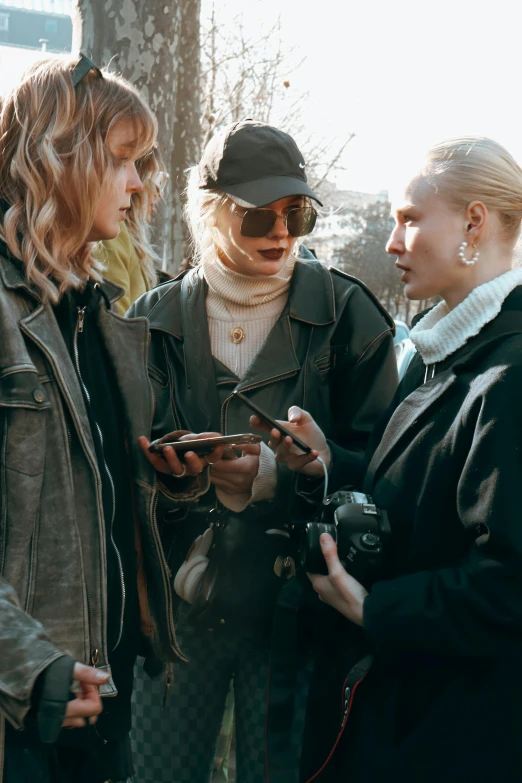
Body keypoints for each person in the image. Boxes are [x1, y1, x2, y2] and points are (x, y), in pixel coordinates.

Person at [128, 119, 398, 783]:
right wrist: (175, 477)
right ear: (213, 214)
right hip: (177, 611)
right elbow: (110, 474)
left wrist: (291, 473)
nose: (282, 232)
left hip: (298, 613)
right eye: (260, 218)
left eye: (298, 213)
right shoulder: (150, 319)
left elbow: (391, 478)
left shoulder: (349, 316)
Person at [264, 137, 522, 783]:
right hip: (402, 709)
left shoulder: (509, 373)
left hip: (454, 732)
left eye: (409, 218)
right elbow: (423, 497)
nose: (391, 241)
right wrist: (330, 465)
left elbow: (508, 584)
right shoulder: (443, 347)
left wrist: (373, 608)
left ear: (474, 221)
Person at [0, 53, 215, 783]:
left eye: (143, 163)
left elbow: (103, 528)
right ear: (57, 157)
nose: (139, 184)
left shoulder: (103, 318)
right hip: (22, 721)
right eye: (123, 160)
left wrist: (172, 485)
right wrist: (33, 674)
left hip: (102, 708)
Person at [94, 149, 166, 314]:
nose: (159, 193)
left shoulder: (128, 237)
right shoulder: (112, 235)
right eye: (157, 179)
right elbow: (119, 318)